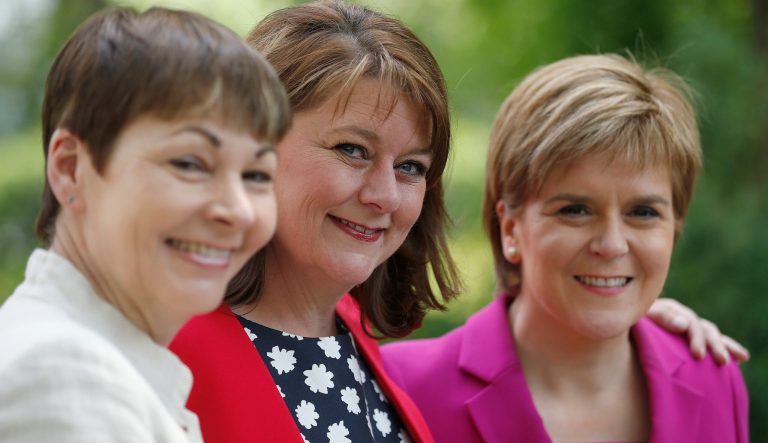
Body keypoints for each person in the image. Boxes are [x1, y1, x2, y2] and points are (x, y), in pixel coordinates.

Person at [170, 2, 747, 442]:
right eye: (351, 149)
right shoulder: (164, 348)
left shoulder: (356, 345)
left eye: (411, 166)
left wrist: (639, 317)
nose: (383, 195)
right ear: (255, 143)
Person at [382, 54, 749, 442]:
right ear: (511, 229)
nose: (611, 245)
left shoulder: (714, 379)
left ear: (674, 227)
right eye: (575, 210)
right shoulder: (399, 388)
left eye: (643, 212)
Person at [0, 6, 290, 442]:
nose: (238, 210)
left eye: (257, 175)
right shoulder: (62, 378)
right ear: (70, 168)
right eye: (190, 164)